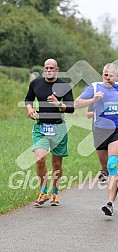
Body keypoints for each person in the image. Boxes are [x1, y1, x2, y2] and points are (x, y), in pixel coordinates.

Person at [75, 63, 118, 216]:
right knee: (106, 168)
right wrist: (93, 100)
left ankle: (109, 203)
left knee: (112, 164)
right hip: (99, 131)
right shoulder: (95, 87)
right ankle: (115, 184)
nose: (107, 78)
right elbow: (76, 103)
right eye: (104, 75)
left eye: (110, 75)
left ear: (117, 76)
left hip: (117, 130)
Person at [25, 58, 74, 207]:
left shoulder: (64, 86)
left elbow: (71, 108)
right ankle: (43, 191)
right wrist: (30, 109)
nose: (49, 70)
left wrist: (58, 103)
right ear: (44, 69)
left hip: (58, 128)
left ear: (57, 69)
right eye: (46, 68)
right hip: (41, 127)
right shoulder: (36, 83)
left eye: (52, 68)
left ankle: (55, 192)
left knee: (57, 165)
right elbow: (28, 99)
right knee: (40, 160)